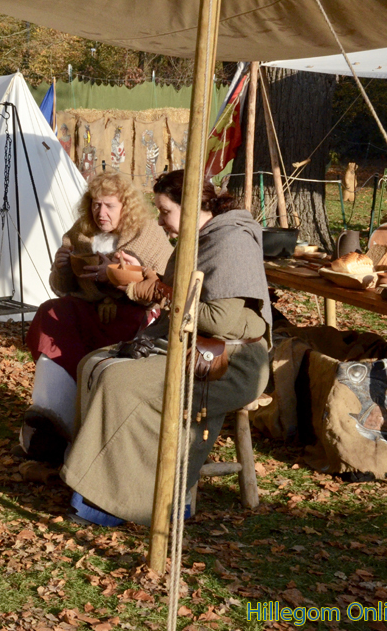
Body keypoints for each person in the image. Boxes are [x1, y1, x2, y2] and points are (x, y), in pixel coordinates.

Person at [61, 169, 271, 525]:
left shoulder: (230, 241)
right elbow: (185, 295)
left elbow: (219, 320)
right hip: (191, 345)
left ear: (190, 207)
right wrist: (148, 277)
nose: (160, 220)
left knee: (119, 382)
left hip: (231, 362)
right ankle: (91, 485)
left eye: (165, 212)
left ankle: (117, 500)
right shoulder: (198, 238)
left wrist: (157, 291)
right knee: (92, 363)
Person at [20, 173, 172, 459]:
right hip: (87, 310)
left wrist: (116, 274)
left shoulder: (147, 233)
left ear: (126, 206)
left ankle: (92, 420)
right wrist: (62, 268)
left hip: (130, 313)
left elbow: (163, 286)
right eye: (96, 204)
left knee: (126, 341)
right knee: (51, 311)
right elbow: (61, 286)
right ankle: (52, 417)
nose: (101, 213)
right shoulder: (81, 231)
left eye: (110, 206)